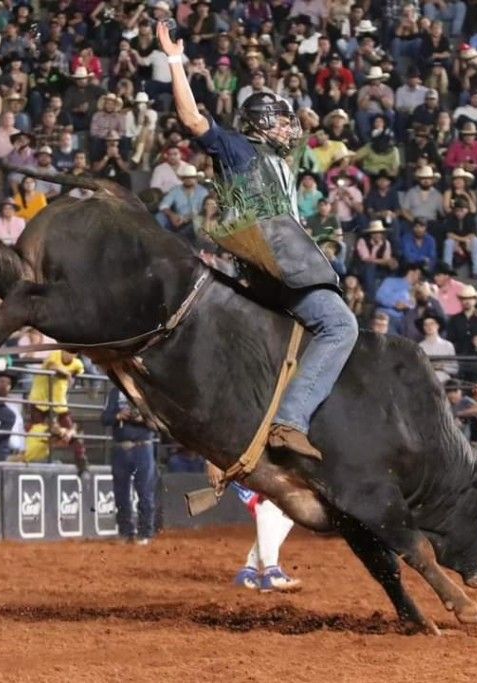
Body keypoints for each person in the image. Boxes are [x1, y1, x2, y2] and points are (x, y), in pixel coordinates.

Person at [159, 22, 357, 460]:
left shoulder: (280, 166)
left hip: (278, 264)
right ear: (263, 123)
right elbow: (192, 119)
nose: (291, 129)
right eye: (284, 122)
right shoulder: (238, 148)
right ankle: (290, 421)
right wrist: (174, 60)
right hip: (273, 266)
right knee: (341, 326)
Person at [206, 462, 301, 592]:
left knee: (289, 509)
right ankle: (271, 572)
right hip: (238, 462)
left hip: (257, 459)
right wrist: (211, 462)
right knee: (267, 501)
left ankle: (249, 572)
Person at [102, 386, 157, 545]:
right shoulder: (114, 392)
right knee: (121, 494)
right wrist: (118, 415)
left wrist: (143, 418)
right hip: (122, 447)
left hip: (142, 446)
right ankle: (126, 532)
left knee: (145, 492)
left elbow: (158, 422)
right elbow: (104, 417)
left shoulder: (146, 391)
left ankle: (145, 532)